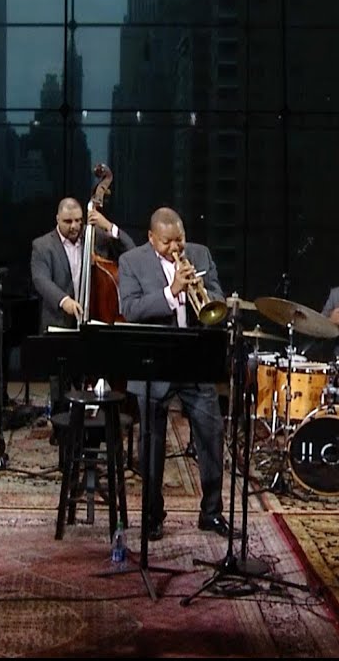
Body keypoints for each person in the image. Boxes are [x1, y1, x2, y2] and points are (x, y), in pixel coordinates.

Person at [116, 207, 229, 541]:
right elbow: (130, 309)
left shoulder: (200, 254)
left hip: (195, 361)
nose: (175, 247)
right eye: (167, 242)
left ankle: (212, 512)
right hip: (154, 363)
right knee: (151, 445)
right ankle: (153, 516)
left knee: (212, 437)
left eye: (179, 239)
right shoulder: (131, 262)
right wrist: (171, 292)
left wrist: (203, 291)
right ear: (151, 238)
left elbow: (218, 297)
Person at [30, 197, 135, 408]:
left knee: (94, 375)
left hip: (94, 317)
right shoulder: (42, 245)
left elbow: (132, 252)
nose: (75, 226)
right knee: (60, 383)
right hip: (60, 320)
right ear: (57, 219)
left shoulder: (94, 236)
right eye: (68, 221)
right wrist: (64, 301)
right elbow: (40, 280)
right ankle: (60, 421)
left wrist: (108, 226)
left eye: (79, 220)